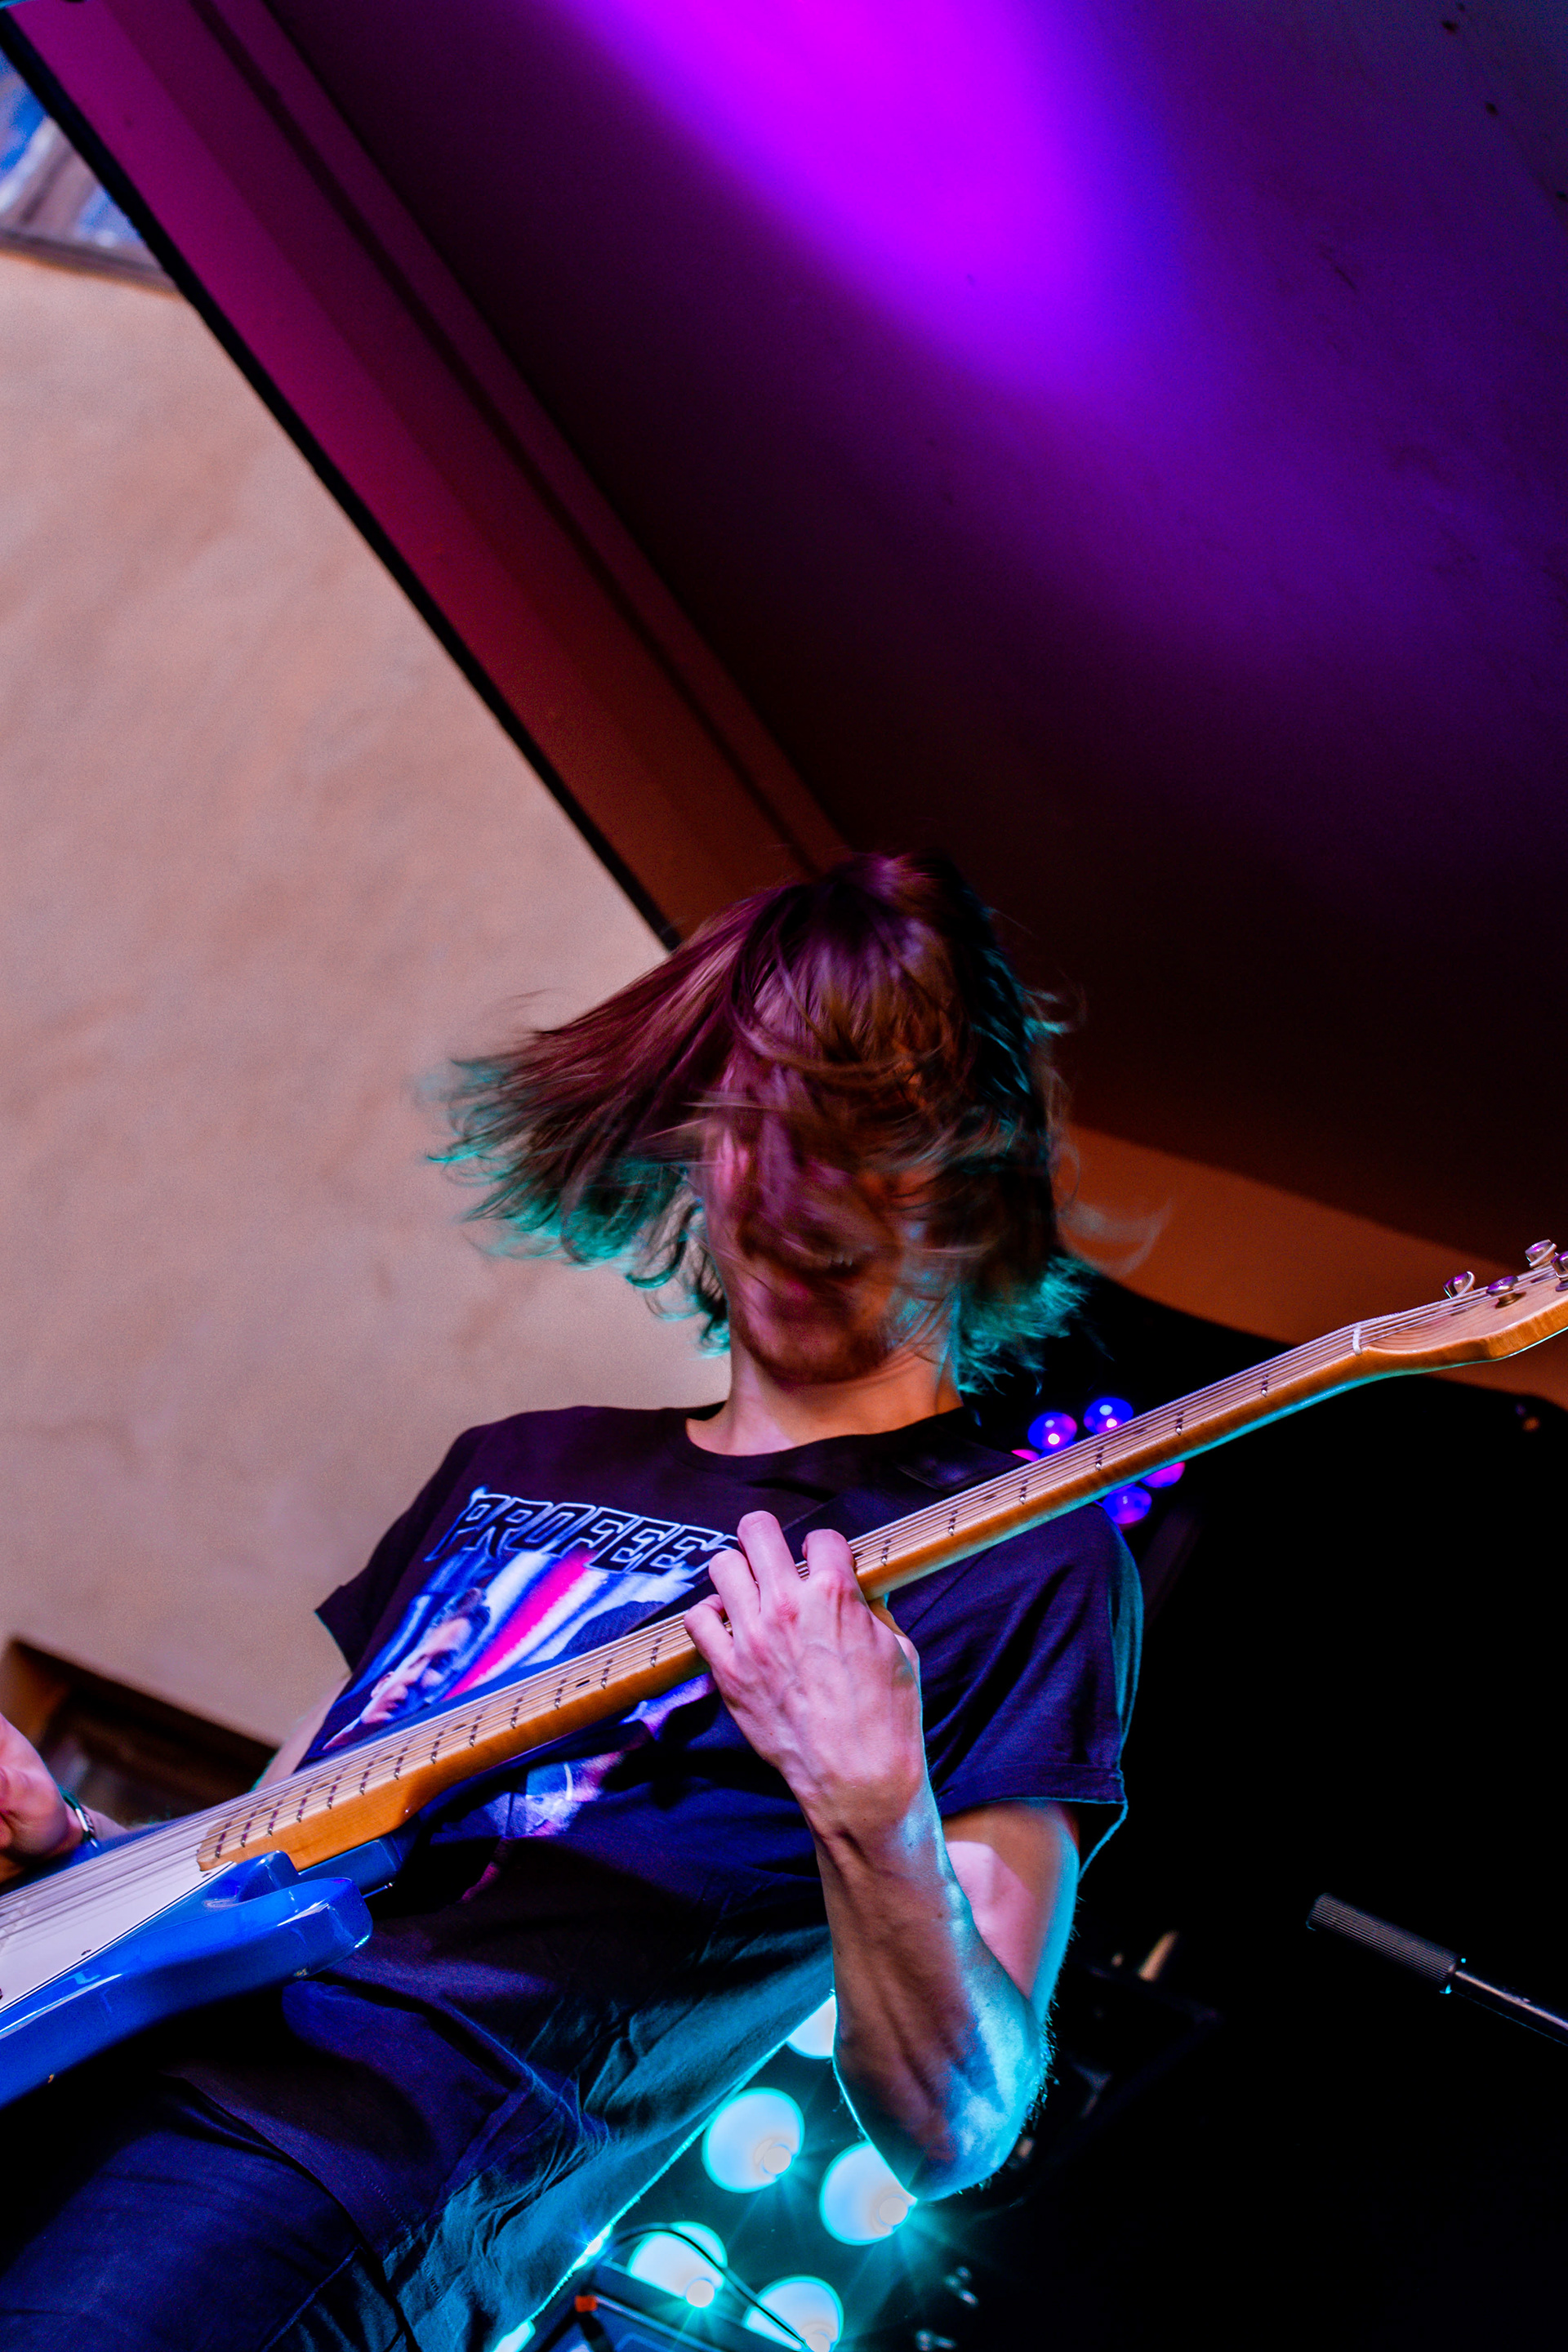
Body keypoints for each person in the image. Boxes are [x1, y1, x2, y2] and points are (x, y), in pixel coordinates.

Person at [0, 852, 1140, 2352]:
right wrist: (74, 1854)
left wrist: (874, 1808)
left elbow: (958, 2126)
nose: (792, 1187)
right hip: (81, 2077)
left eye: (857, 1143)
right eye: (756, 1124)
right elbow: (250, 1871)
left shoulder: (1013, 1559)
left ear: (967, 1175)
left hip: (323, 2193)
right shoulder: (517, 1462)